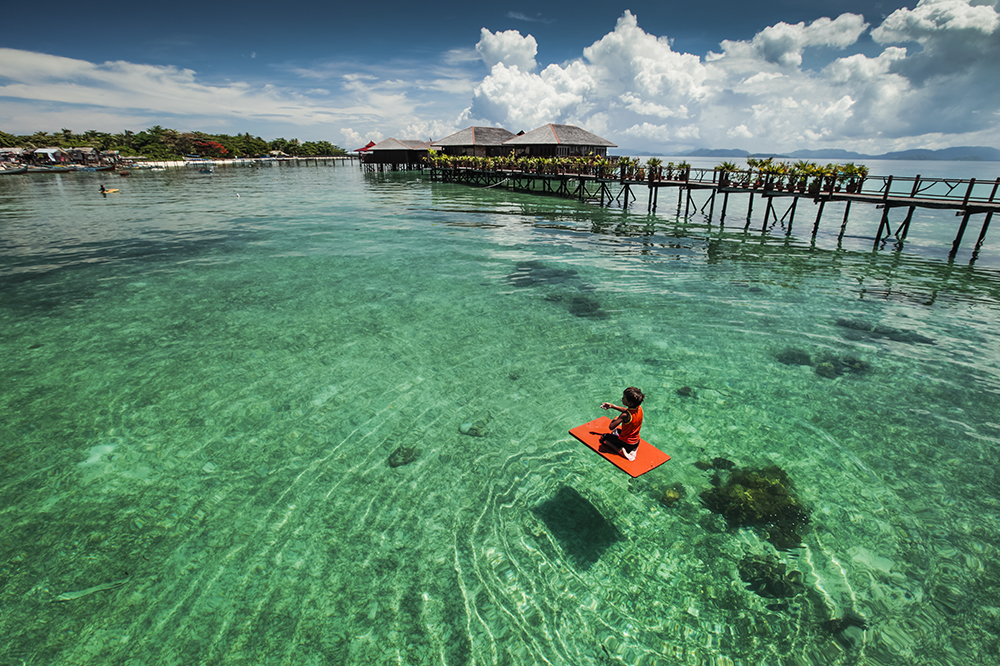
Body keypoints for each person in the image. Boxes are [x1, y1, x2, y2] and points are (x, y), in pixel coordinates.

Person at [600, 387, 645, 462]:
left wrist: (615, 419)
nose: (622, 398)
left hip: (626, 444)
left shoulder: (624, 415)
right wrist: (612, 406)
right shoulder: (639, 408)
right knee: (617, 431)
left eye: (624, 398)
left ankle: (620, 450)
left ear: (630, 403)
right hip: (636, 442)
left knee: (604, 438)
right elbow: (627, 410)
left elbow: (611, 427)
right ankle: (634, 450)